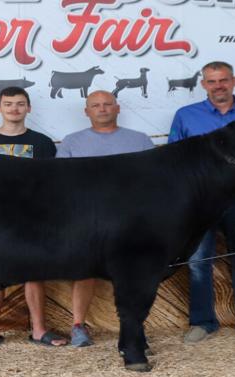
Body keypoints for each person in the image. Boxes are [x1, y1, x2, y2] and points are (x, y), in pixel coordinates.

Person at [169, 62, 235, 345]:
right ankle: (202, 323)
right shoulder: (185, 116)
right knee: (198, 263)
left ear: (234, 81)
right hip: (200, 205)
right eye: (212, 81)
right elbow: (175, 160)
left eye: (223, 80)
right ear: (203, 84)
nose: (218, 86)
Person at [55, 90, 154, 348]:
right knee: (84, 272)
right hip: (87, 220)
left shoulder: (140, 141)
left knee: (133, 275)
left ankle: (134, 330)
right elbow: (61, 184)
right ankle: (78, 326)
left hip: (131, 220)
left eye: (107, 104)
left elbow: (154, 183)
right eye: (95, 105)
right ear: (86, 112)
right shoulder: (71, 142)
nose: (102, 109)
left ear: (117, 108)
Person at [0, 87, 65, 349]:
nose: (14, 109)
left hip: (33, 218)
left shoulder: (43, 143)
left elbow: (51, 184)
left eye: (20, 104)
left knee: (34, 272)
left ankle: (39, 330)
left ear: (28, 108)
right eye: (8, 104)